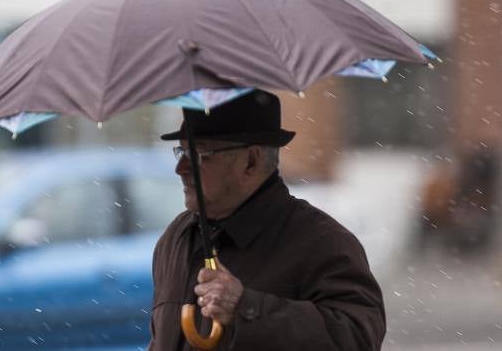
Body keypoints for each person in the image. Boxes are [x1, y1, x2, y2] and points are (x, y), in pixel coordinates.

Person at [148, 90, 385, 350]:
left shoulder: (323, 243)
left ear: (250, 161)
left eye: (197, 154)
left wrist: (246, 308)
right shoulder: (177, 237)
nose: (180, 168)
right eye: (181, 151)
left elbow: (357, 338)